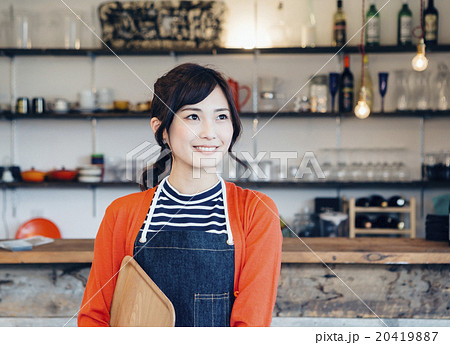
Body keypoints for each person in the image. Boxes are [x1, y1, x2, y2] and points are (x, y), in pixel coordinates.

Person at [77, 62, 282, 327]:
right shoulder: (121, 213)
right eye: (193, 116)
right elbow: (95, 317)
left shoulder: (256, 211)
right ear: (161, 129)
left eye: (221, 117)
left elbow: (251, 326)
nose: (210, 133)